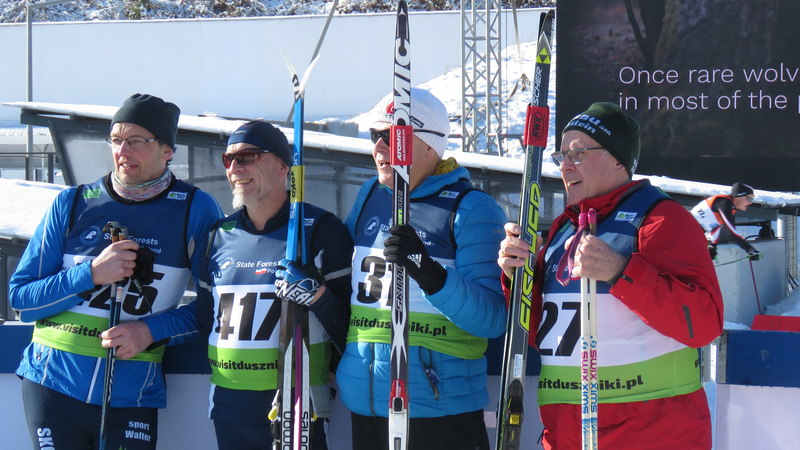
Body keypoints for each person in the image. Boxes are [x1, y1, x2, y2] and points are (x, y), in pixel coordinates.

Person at [498, 102, 724, 449]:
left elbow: (705, 323)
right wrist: (517, 277)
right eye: (561, 156)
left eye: (578, 153)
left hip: (652, 436)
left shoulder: (662, 220)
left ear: (618, 159)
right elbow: (544, 336)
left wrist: (621, 272)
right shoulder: (563, 229)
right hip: (568, 434)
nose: (566, 165)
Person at [10, 93, 224, 449]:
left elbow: (216, 304)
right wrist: (91, 274)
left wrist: (150, 331)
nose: (123, 150)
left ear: (167, 150)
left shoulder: (195, 209)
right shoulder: (72, 202)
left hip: (131, 392)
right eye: (116, 139)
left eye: (137, 140)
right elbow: (22, 299)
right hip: (52, 384)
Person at [336, 88, 507, 450]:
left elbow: (492, 319)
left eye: (391, 137)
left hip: (437, 407)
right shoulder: (369, 195)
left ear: (430, 145)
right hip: (366, 402)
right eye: (374, 135)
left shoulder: (471, 208)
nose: (378, 147)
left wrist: (427, 271)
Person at [196, 120, 352, 450]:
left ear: (283, 166)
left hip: (297, 407)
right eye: (228, 159)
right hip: (228, 407)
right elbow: (203, 317)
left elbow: (353, 330)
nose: (235, 168)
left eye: (248, 156)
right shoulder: (218, 235)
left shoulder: (321, 230)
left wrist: (319, 298)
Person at [691, 181, 761, 260]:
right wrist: (750, 249)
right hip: (686, 228)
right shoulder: (724, 202)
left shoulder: (729, 207)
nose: (750, 202)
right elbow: (730, 232)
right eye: (749, 198)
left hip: (692, 232)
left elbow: (717, 226)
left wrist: (712, 246)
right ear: (739, 196)